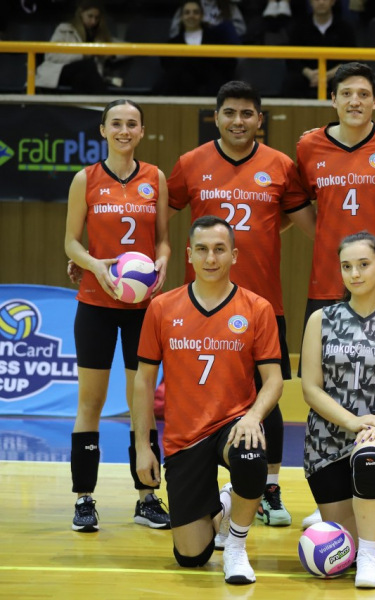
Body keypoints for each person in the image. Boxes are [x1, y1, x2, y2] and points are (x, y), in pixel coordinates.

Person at [168, 80, 316, 528]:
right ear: (216, 117)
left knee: (268, 395)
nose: (238, 121)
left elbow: (306, 222)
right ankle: (202, 483)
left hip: (263, 305)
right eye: (229, 113)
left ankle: (268, 488)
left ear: (260, 119)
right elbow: (157, 218)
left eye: (247, 113)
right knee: (200, 394)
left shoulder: (280, 165)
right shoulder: (191, 163)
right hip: (200, 306)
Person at [133, 215, 282, 585]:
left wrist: (253, 416)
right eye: (202, 249)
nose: (210, 258)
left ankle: (236, 546)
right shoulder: (162, 307)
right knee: (191, 557)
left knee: (250, 453)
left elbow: (274, 380)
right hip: (184, 437)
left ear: (234, 255)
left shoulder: (257, 308)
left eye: (219, 249)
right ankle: (226, 504)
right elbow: (144, 381)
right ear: (189, 254)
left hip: (233, 423)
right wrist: (143, 447)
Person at [63, 99, 171, 532]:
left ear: (142, 131)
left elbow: (162, 240)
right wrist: (94, 265)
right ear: (103, 130)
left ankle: (146, 497)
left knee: (139, 401)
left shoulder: (155, 177)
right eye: (116, 124)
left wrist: (162, 261)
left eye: (132, 124)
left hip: (142, 308)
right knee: (90, 402)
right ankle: (84, 499)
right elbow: (71, 242)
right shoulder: (85, 179)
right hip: (95, 303)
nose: (124, 131)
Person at [300, 231, 375, 589]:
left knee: (369, 457)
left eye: (363, 264)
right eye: (347, 266)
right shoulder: (320, 320)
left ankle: (372, 559)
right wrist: (354, 422)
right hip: (326, 440)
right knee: (344, 550)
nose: (354, 273)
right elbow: (310, 389)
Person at [294, 61, 375, 323]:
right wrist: (329, 239)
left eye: (363, 94)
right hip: (330, 282)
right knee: (321, 351)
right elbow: (297, 205)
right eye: (346, 93)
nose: (355, 101)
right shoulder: (309, 146)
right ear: (333, 99)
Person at [157, 0, 237, 97]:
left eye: (196, 12)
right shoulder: (172, 44)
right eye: (187, 13)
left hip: (211, 93)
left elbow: (228, 65)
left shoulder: (216, 39)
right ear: (181, 17)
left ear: (202, 16)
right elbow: (168, 69)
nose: (191, 16)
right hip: (181, 94)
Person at [36, 0, 114, 94]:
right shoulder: (65, 29)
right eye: (90, 16)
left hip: (82, 77)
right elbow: (51, 55)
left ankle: (93, 101)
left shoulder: (99, 35)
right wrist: (83, 55)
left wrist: (110, 54)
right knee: (86, 66)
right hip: (59, 72)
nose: (93, 21)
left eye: (97, 18)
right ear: (81, 14)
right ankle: (105, 99)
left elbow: (125, 47)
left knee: (83, 75)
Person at [284, 0, 358, 98]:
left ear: (333, 2)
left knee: (349, 81)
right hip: (306, 77)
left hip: (335, 76)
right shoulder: (299, 28)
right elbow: (291, 58)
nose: (321, 2)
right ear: (310, 2)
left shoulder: (345, 28)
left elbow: (350, 59)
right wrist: (309, 74)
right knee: (291, 81)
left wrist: (327, 75)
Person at [170, 0, 245, 44]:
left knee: (227, 26)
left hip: (221, 46)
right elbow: (175, 32)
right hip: (196, 43)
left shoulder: (228, 6)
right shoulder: (189, 5)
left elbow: (241, 30)